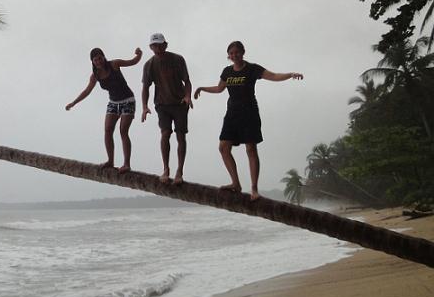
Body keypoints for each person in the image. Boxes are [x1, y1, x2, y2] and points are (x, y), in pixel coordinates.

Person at [194, 40, 303, 200]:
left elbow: (272, 76)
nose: (234, 55)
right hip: (232, 114)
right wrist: (201, 88)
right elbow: (219, 88)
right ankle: (235, 183)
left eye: (237, 52)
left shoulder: (252, 69)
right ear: (228, 56)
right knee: (223, 147)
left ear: (243, 52)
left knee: (251, 149)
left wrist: (290, 74)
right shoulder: (227, 71)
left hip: (249, 113)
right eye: (231, 53)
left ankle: (254, 189)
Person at [66, 47, 143, 172]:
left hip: (128, 100)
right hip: (113, 103)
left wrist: (139, 54)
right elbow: (87, 91)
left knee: (123, 131)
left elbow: (132, 62)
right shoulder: (95, 76)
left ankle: (126, 164)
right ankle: (110, 161)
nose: (98, 62)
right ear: (92, 61)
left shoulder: (114, 64)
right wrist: (74, 103)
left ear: (104, 57)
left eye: (100, 58)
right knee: (107, 130)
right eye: (95, 60)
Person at [141, 33, 193, 185]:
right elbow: (145, 87)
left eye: (160, 45)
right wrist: (144, 106)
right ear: (151, 47)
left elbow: (187, 81)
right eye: (154, 45)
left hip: (180, 102)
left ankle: (179, 171)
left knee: (180, 135)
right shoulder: (149, 64)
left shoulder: (177, 59)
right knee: (165, 133)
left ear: (166, 45)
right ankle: (166, 169)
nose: (158, 48)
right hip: (162, 104)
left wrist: (188, 96)